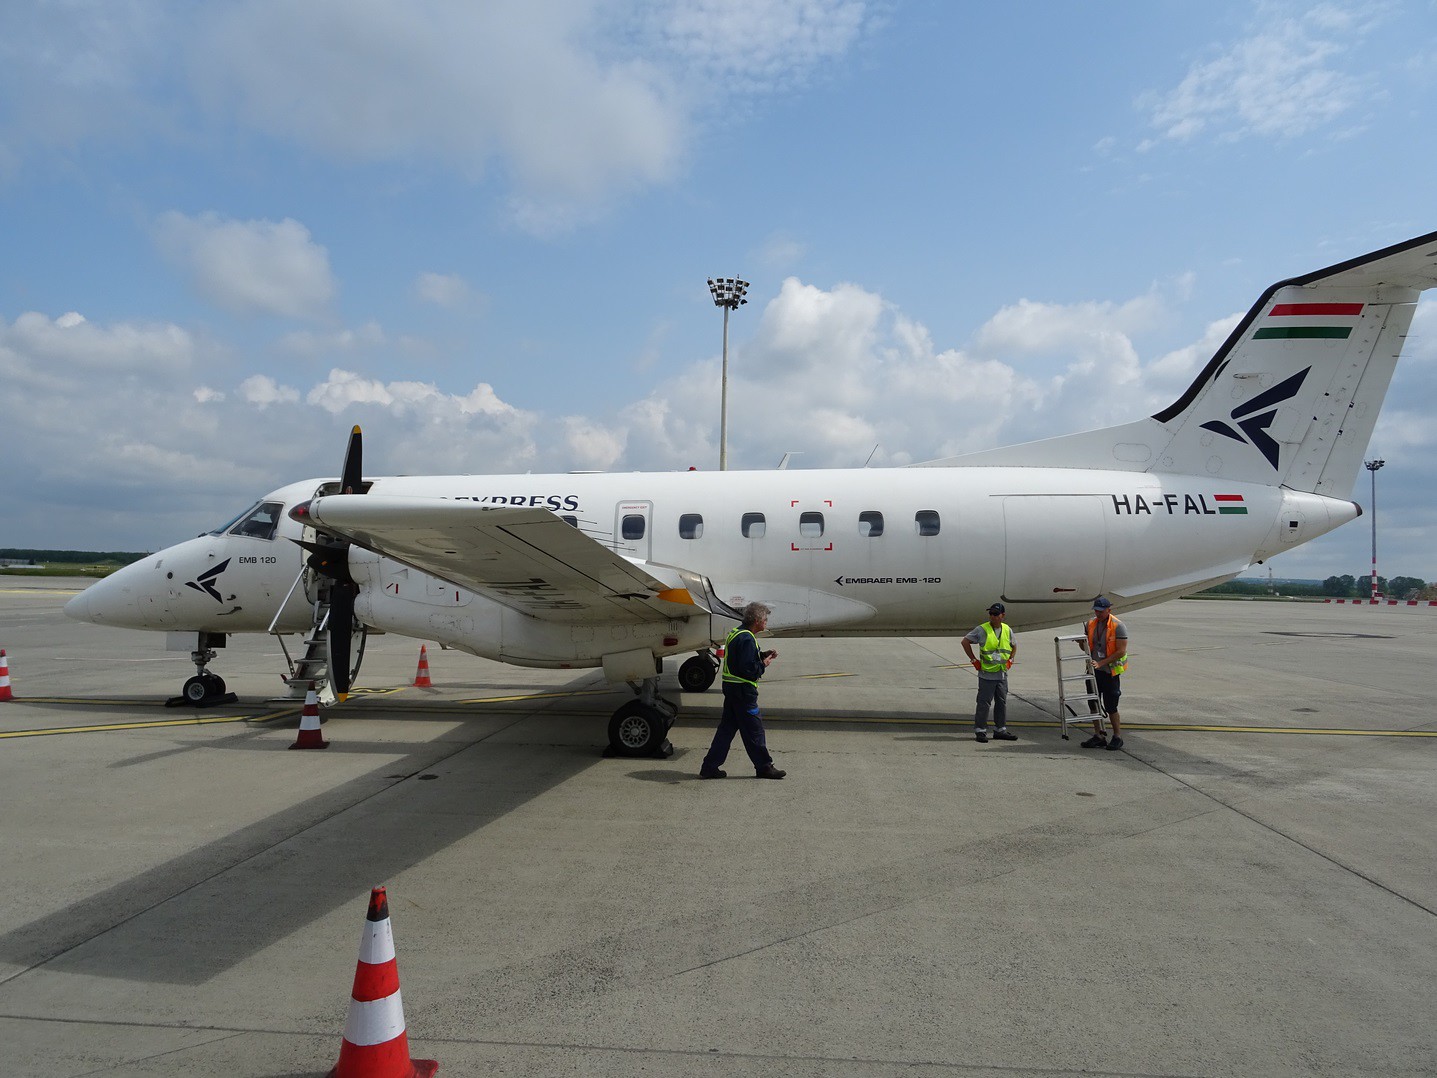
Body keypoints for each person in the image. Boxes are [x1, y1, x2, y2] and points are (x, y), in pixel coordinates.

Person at [700, 601, 786, 779]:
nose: (766, 622)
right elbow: (748, 669)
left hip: (732, 690)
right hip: (743, 692)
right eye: (765, 619)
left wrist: (762, 654)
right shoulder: (747, 638)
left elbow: (741, 658)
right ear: (757, 620)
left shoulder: (737, 633)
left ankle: (709, 766)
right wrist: (763, 664)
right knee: (754, 730)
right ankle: (764, 767)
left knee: (726, 730)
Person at [961, 602, 1018, 743]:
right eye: (990, 614)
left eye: (995, 614)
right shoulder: (982, 629)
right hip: (987, 674)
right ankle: (980, 731)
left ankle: (1000, 730)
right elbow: (965, 642)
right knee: (984, 703)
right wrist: (973, 660)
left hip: (1002, 674)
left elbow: (1014, 645)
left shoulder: (1007, 629)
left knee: (1001, 703)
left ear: (1002, 615)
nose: (992, 616)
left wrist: (1011, 659)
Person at [1083, 596, 1129, 751]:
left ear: (1109, 610)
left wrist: (1101, 663)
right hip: (1094, 671)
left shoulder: (1118, 626)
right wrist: (1082, 644)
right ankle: (1098, 735)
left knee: (1111, 706)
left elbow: (1121, 651)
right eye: (1096, 611)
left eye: (1101, 611)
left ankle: (1117, 736)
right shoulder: (1090, 624)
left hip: (1110, 672)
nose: (1098, 614)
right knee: (1093, 704)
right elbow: (1087, 648)